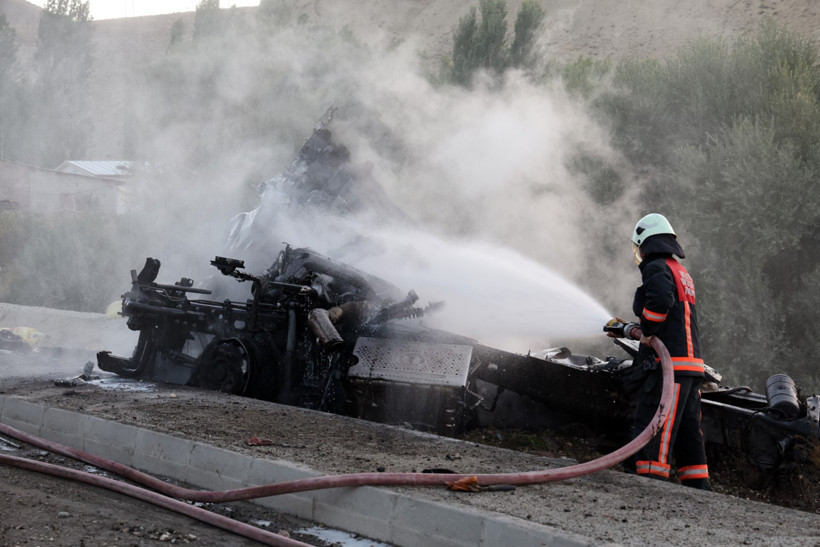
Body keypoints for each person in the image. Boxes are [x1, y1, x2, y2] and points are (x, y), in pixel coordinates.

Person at [609, 213, 711, 490]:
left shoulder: (655, 267)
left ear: (644, 243)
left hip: (670, 367)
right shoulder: (679, 270)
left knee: (657, 424)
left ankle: (650, 485)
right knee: (690, 431)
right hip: (690, 366)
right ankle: (699, 487)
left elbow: (660, 301)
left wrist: (648, 330)